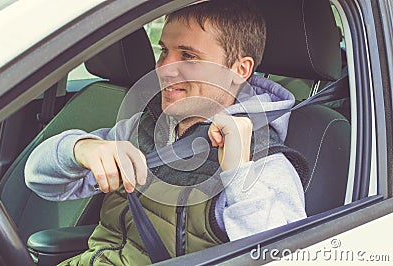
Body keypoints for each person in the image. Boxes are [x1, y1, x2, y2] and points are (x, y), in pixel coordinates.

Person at [25, 0, 307, 265]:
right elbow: (39, 181)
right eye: (164, 51)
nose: (164, 69)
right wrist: (82, 149)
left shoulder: (265, 162)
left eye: (188, 55)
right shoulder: (141, 127)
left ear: (239, 70)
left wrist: (239, 175)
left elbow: (283, 257)